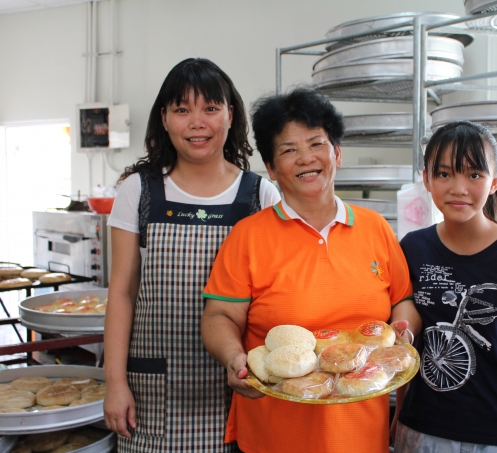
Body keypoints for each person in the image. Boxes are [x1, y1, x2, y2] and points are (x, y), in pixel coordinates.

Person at [200, 87, 422, 453]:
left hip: (361, 433)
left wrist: (402, 331)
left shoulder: (376, 228)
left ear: (336, 152)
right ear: (271, 168)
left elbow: (403, 302)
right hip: (274, 434)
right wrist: (232, 356)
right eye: (289, 150)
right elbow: (219, 315)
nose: (306, 159)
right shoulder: (248, 236)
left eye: (316, 143)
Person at [103, 57, 281, 453]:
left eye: (210, 109)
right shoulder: (139, 190)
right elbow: (121, 293)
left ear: (230, 115)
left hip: (235, 382)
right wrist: (114, 382)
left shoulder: (259, 195)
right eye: (182, 110)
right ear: (164, 119)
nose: (197, 122)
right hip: (152, 388)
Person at [394, 121, 497, 453]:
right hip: (420, 428)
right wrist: (400, 413)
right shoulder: (412, 247)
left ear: (494, 181)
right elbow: (409, 348)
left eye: (474, 175)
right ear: (426, 179)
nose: (458, 188)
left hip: (496, 434)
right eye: (444, 174)